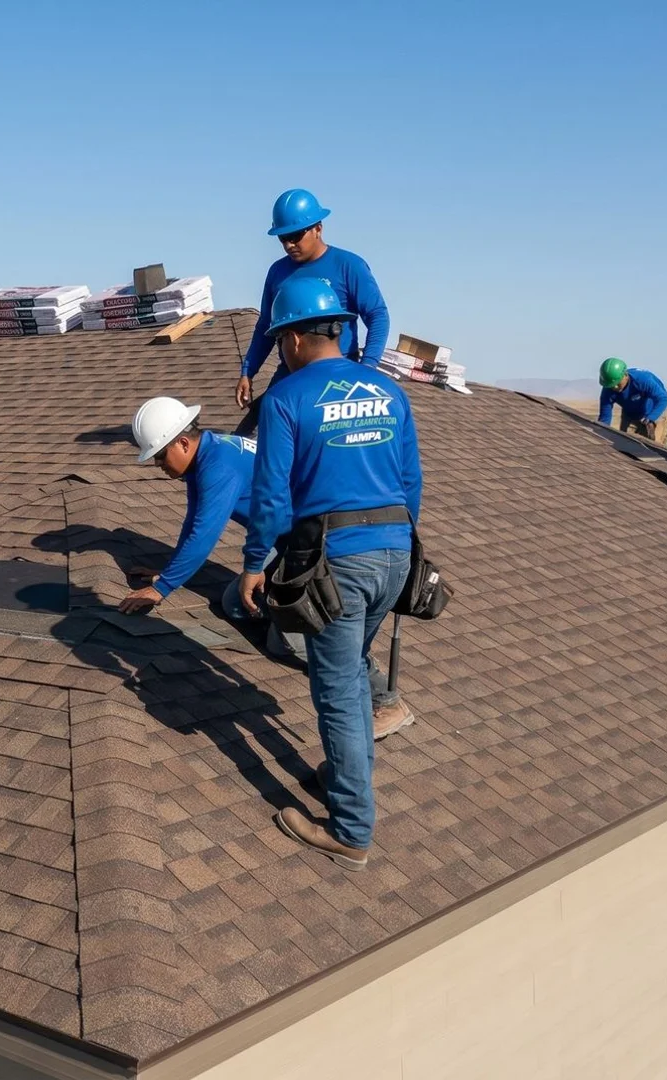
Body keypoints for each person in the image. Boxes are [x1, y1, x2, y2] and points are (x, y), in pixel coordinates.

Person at [239, 276, 422, 871]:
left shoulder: (287, 399)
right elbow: (411, 483)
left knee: (339, 694)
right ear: (340, 328)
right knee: (352, 673)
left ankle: (350, 829)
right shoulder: (390, 391)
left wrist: (252, 564)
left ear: (291, 338)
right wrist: (395, 544)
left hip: (336, 561)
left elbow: (270, 496)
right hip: (394, 553)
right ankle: (347, 775)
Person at [121, 396, 415, 739]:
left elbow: (205, 533)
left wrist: (162, 590)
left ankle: (382, 694)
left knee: (284, 644)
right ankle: (289, 615)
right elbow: (193, 521)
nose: (159, 465)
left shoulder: (219, 466)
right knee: (234, 603)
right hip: (292, 547)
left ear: (183, 443)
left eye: (159, 456)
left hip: (318, 549)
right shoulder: (209, 453)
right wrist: (166, 572)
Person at [234, 188, 389, 410]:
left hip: (339, 372)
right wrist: (248, 371)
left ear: (318, 228)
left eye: (295, 236)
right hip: (291, 373)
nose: (289, 245)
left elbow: (378, 316)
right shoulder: (277, 272)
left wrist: (368, 367)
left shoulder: (348, 265)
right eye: (283, 238)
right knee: (256, 436)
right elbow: (265, 327)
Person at [597, 357, 667, 441]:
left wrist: (651, 419)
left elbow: (663, 398)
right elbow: (605, 418)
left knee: (654, 447)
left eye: (617, 383)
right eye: (611, 385)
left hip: (656, 410)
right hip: (630, 414)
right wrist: (602, 436)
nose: (614, 387)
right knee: (624, 444)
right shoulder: (608, 388)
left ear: (625, 375)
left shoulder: (643, 380)